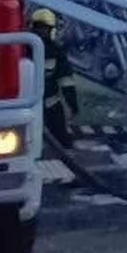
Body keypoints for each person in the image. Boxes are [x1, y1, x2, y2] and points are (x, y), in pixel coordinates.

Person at [29, 9, 79, 149]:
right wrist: (73, 105)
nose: (41, 32)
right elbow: (66, 81)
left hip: (30, 106)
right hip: (48, 104)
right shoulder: (56, 51)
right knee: (62, 140)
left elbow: (66, 80)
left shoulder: (22, 46)